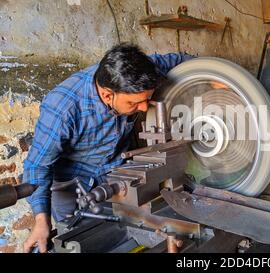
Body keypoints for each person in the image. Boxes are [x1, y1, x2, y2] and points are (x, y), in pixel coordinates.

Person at [22, 43, 193, 253]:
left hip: (114, 171)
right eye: (134, 103)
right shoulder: (63, 108)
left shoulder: (138, 71)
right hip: (71, 183)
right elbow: (37, 167)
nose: (143, 107)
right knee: (83, 239)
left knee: (126, 231)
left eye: (146, 99)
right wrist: (41, 221)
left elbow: (179, 60)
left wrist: (213, 76)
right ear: (107, 95)